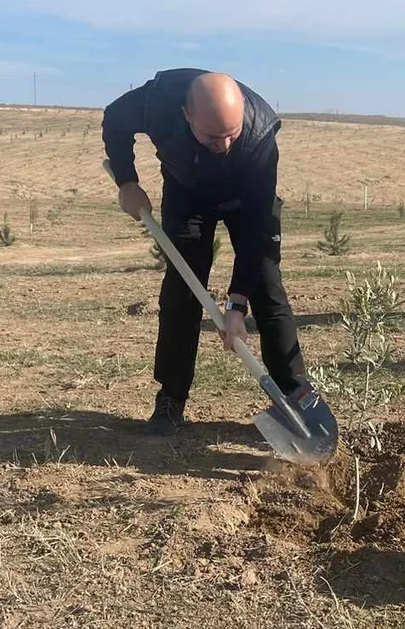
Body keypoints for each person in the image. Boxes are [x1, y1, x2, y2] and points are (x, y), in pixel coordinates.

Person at [102, 69, 306, 435]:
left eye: (231, 135)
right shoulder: (157, 102)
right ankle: (171, 399)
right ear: (186, 115)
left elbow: (258, 232)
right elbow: (114, 121)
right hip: (188, 194)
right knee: (182, 288)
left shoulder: (259, 136)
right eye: (213, 138)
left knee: (267, 287)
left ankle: (294, 396)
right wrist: (127, 182)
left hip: (247, 202)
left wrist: (236, 306)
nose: (224, 146)